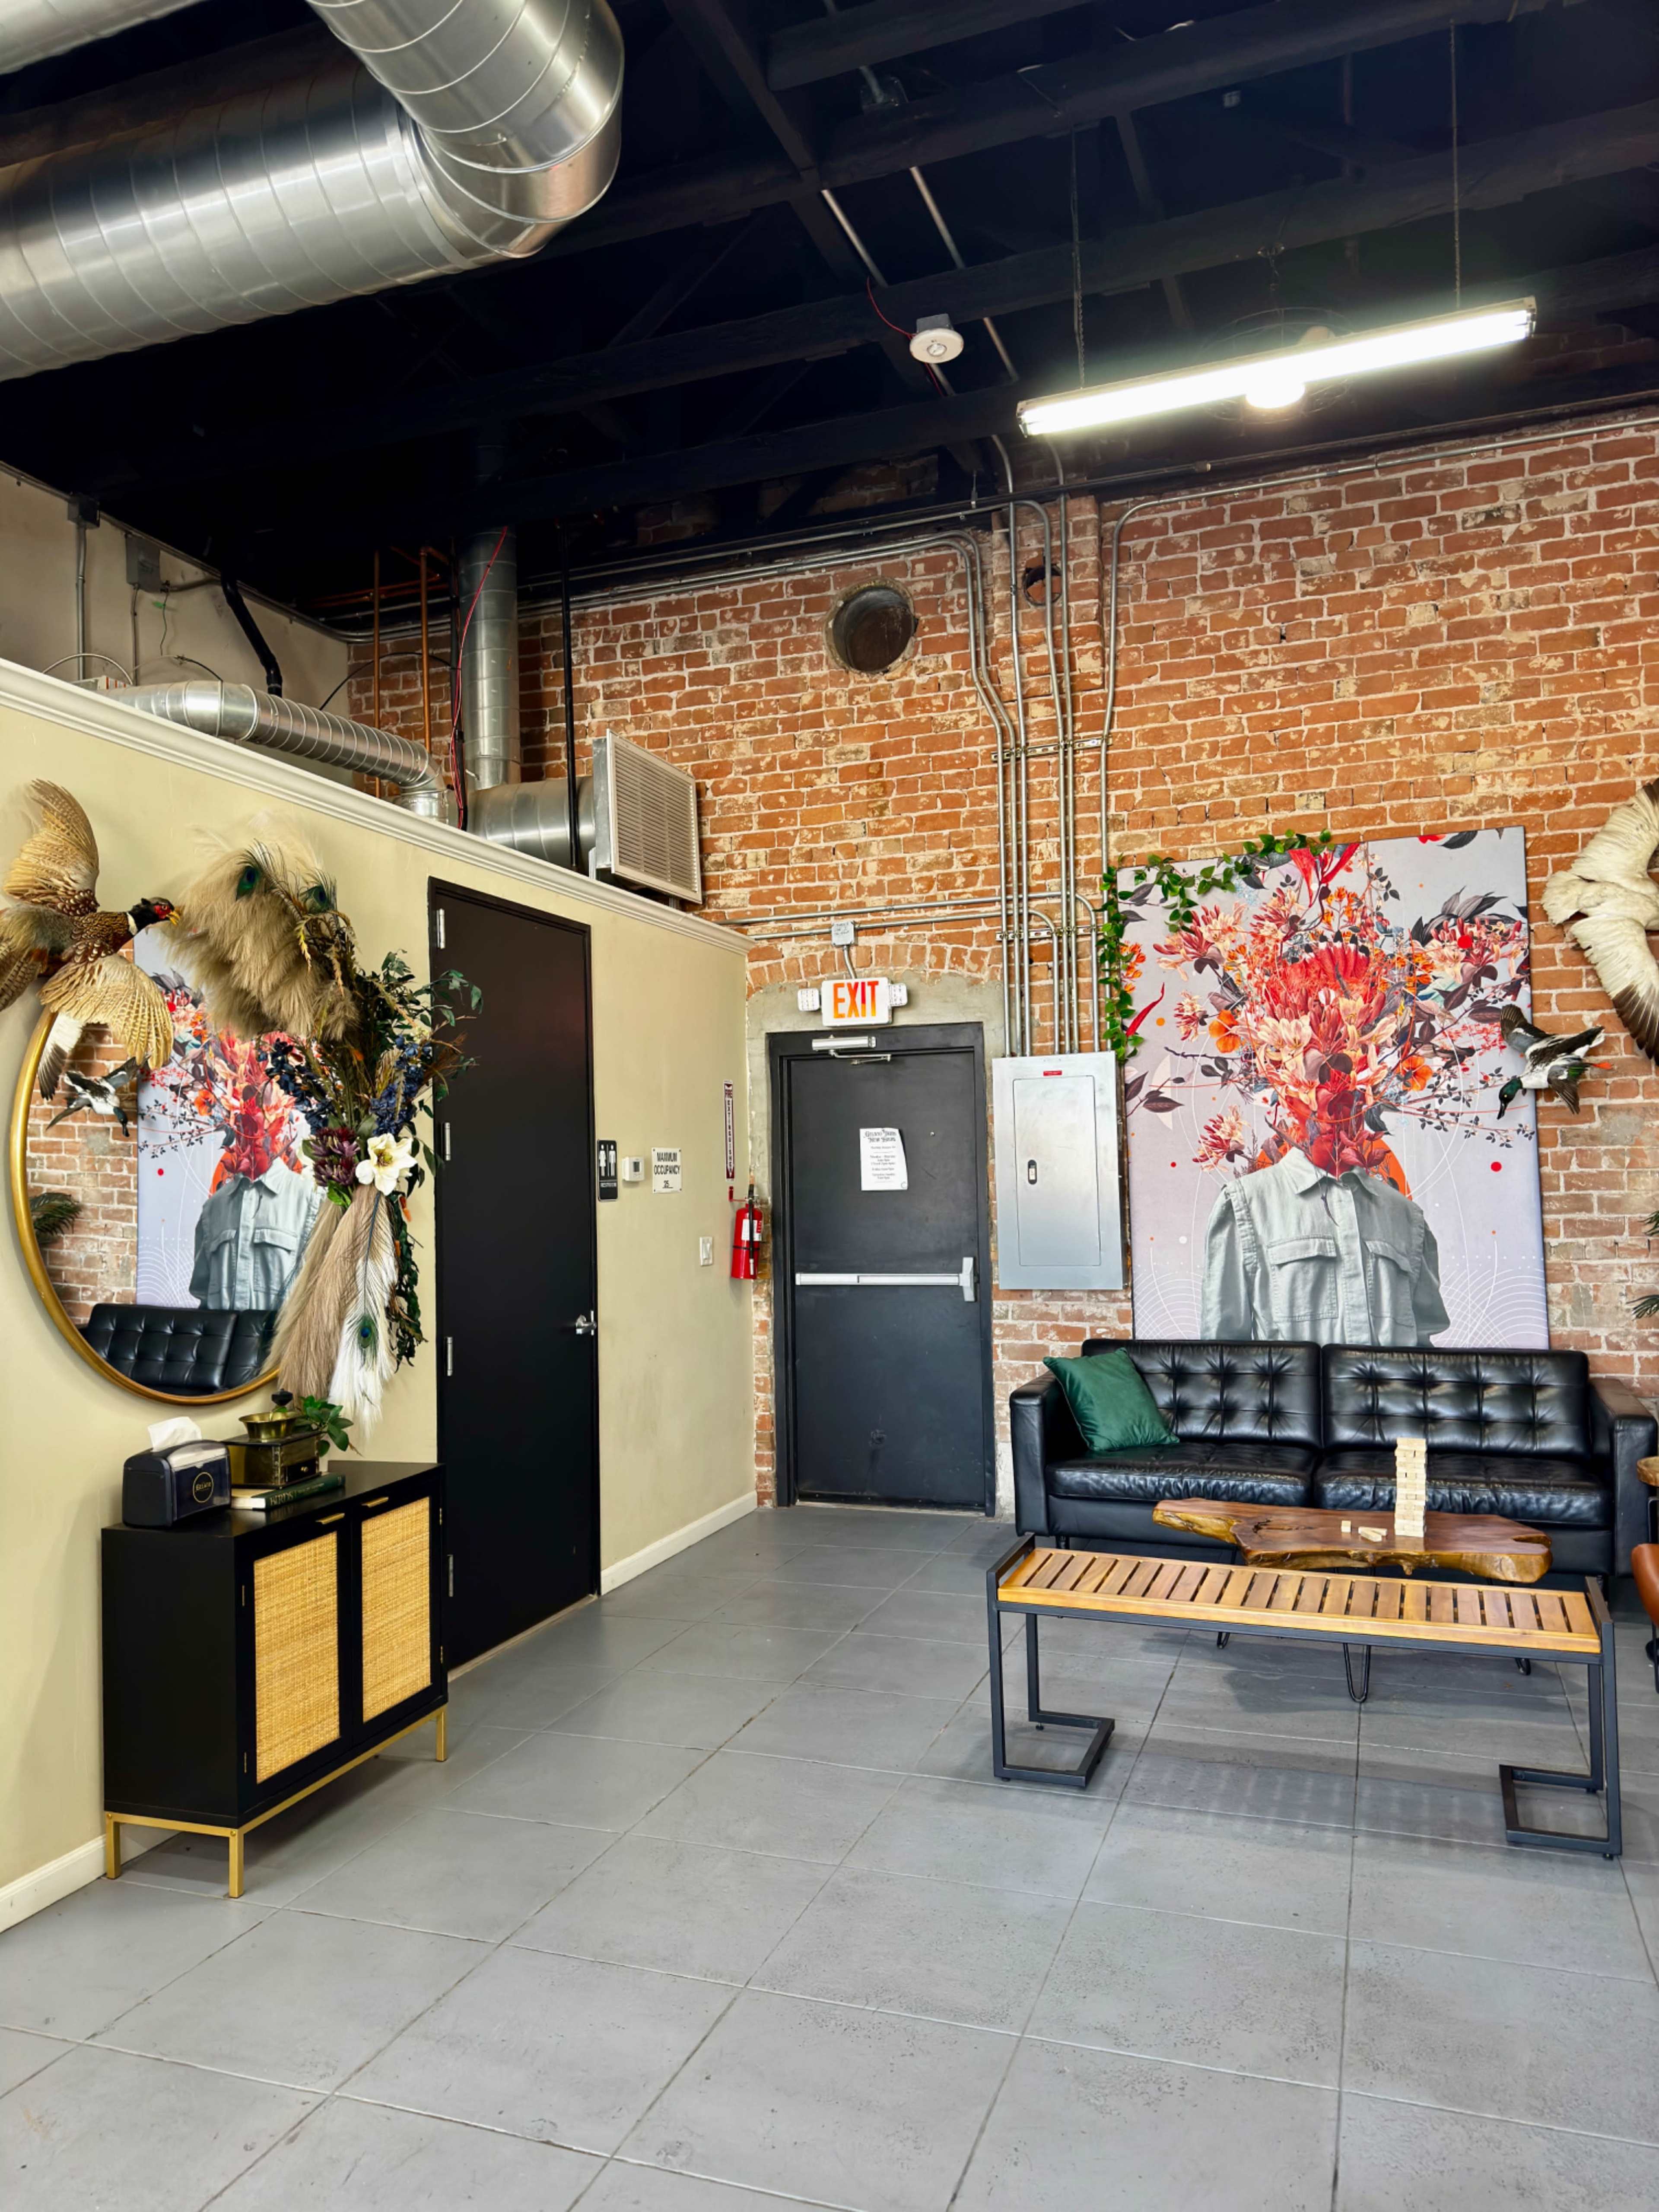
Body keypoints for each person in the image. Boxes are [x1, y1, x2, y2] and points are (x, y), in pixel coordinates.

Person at [1200, 1147, 1449, 1347]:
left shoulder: (1405, 1214)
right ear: (1292, 1099)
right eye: (1317, 1087)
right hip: (1294, 1406)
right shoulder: (1248, 1200)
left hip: (1390, 1407)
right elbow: (1223, 1347)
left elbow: (1423, 1346)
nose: (1334, 1109)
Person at [189, 1159, 321, 1311]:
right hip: (223, 1332)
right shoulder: (214, 1206)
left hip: (279, 1333)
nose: (254, 1137)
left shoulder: (309, 1196)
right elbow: (202, 1291)